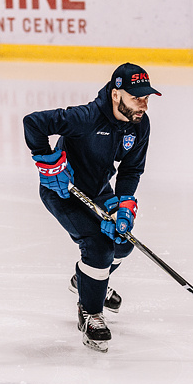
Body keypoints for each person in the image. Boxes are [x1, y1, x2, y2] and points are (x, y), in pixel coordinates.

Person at [22, 63, 161, 353]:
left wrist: (123, 205)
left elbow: (131, 170)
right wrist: (48, 163)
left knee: (123, 243)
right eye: (137, 98)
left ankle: (87, 281)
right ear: (116, 95)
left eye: (146, 97)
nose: (144, 105)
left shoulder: (140, 125)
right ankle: (90, 313)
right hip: (63, 192)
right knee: (98, 248)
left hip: (98, 191)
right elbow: (33, 122)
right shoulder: (85, 118)